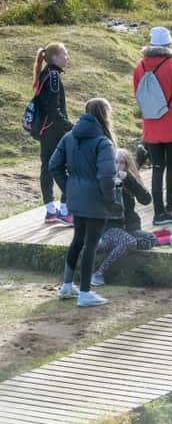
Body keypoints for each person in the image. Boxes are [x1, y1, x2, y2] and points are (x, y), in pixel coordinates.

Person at [49, 98, 118, 307]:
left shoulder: (69, 136)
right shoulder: (103, 142)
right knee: (91, 244)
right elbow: (106, 176)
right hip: (96, 200)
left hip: (76, 199)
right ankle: (86, 292)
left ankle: (67, 285)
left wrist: (68, 188)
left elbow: (54, 165)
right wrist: (110, 200)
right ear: (105, 115)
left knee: (78, 240)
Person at [133, 26, 172, 226]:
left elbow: (137, 95)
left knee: (157, 167)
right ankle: (171, 207)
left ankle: (158, 213)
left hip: (151, 124)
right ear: (168, 44)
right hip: (171, 122)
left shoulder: (140, 66)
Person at [92, 149, 156, 287]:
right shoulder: (105, 180)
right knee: (129, 242)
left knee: (150, 239)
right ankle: (99, 272)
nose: (118, 166)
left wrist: (129, 179)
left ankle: (116, 247)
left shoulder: (128, 179)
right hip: (109, 228)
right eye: (116, 162)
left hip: (128, 228)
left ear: (127, 166)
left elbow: (146, 199)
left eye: (122, 163)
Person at [33, 43, 74, 226]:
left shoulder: (45, 73)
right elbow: (53, 109)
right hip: (54, 130)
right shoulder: (54, 76)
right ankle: (65, 212)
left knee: (47, 168)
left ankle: (50, 211)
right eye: (65, 54)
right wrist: (71, 127)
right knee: (67, 167)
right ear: (56, 57)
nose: (68, 58)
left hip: (45, 130)